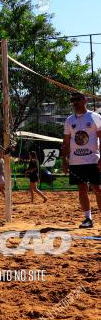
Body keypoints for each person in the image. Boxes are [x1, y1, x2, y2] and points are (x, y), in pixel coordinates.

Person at [62, 91, 101, 228]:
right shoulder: (69, 120)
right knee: (82, 190)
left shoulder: (95, 117)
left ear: (85, 100)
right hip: (76, 161)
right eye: (73, 100)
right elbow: (66, 142)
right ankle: (88, 218)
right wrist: (64, 160)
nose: (74, 102)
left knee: (98, 189)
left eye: (77, 99)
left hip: (93, 160)